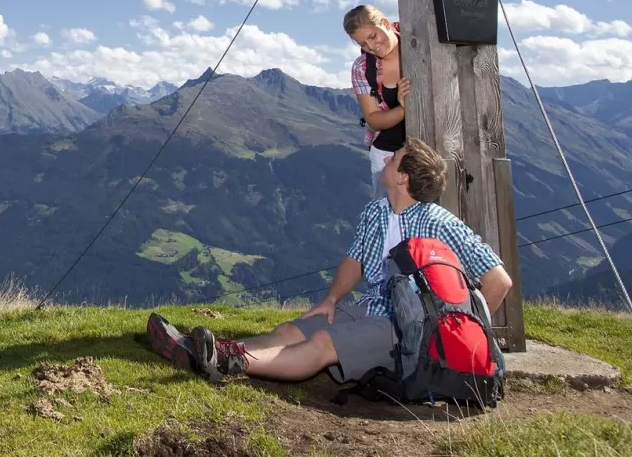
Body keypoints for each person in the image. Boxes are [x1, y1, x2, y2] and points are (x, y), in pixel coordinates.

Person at [148, 139, 513, 384]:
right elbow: (354, 261)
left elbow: (499, 280)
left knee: (323, 343)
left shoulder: (437, 222)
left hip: (408, 327)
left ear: (403, 177)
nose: (385, 158)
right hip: (373, 307)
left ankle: (224, 363)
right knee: (291, 330)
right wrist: (330, 300)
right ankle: (207, 351)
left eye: (395, 158)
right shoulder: (376, 211)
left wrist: (454, 341)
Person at [344, 4, 408, 196]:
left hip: (431, 148)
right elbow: (373, 119)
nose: (371, 47)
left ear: (386, 23)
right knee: (387, 214)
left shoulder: (417, 44)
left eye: (373, 36)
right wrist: (404, 109)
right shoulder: (362, 67)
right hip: (387, 156)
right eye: (362, 44)